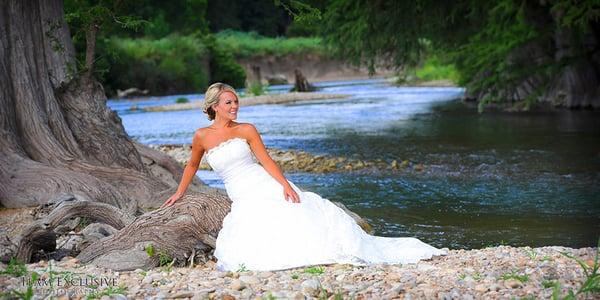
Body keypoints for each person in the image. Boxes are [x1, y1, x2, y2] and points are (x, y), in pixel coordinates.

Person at [161, 82, 447, 272]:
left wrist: (285, 184)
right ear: (213, 106)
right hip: (240, 193)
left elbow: (266, 160)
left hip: (261, 183)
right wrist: (180, 192)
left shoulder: (246, 129)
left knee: (295, 217)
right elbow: (191, 166)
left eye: (236, 101)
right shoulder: (201, 136)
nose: (234, 106)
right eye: (228, 103)